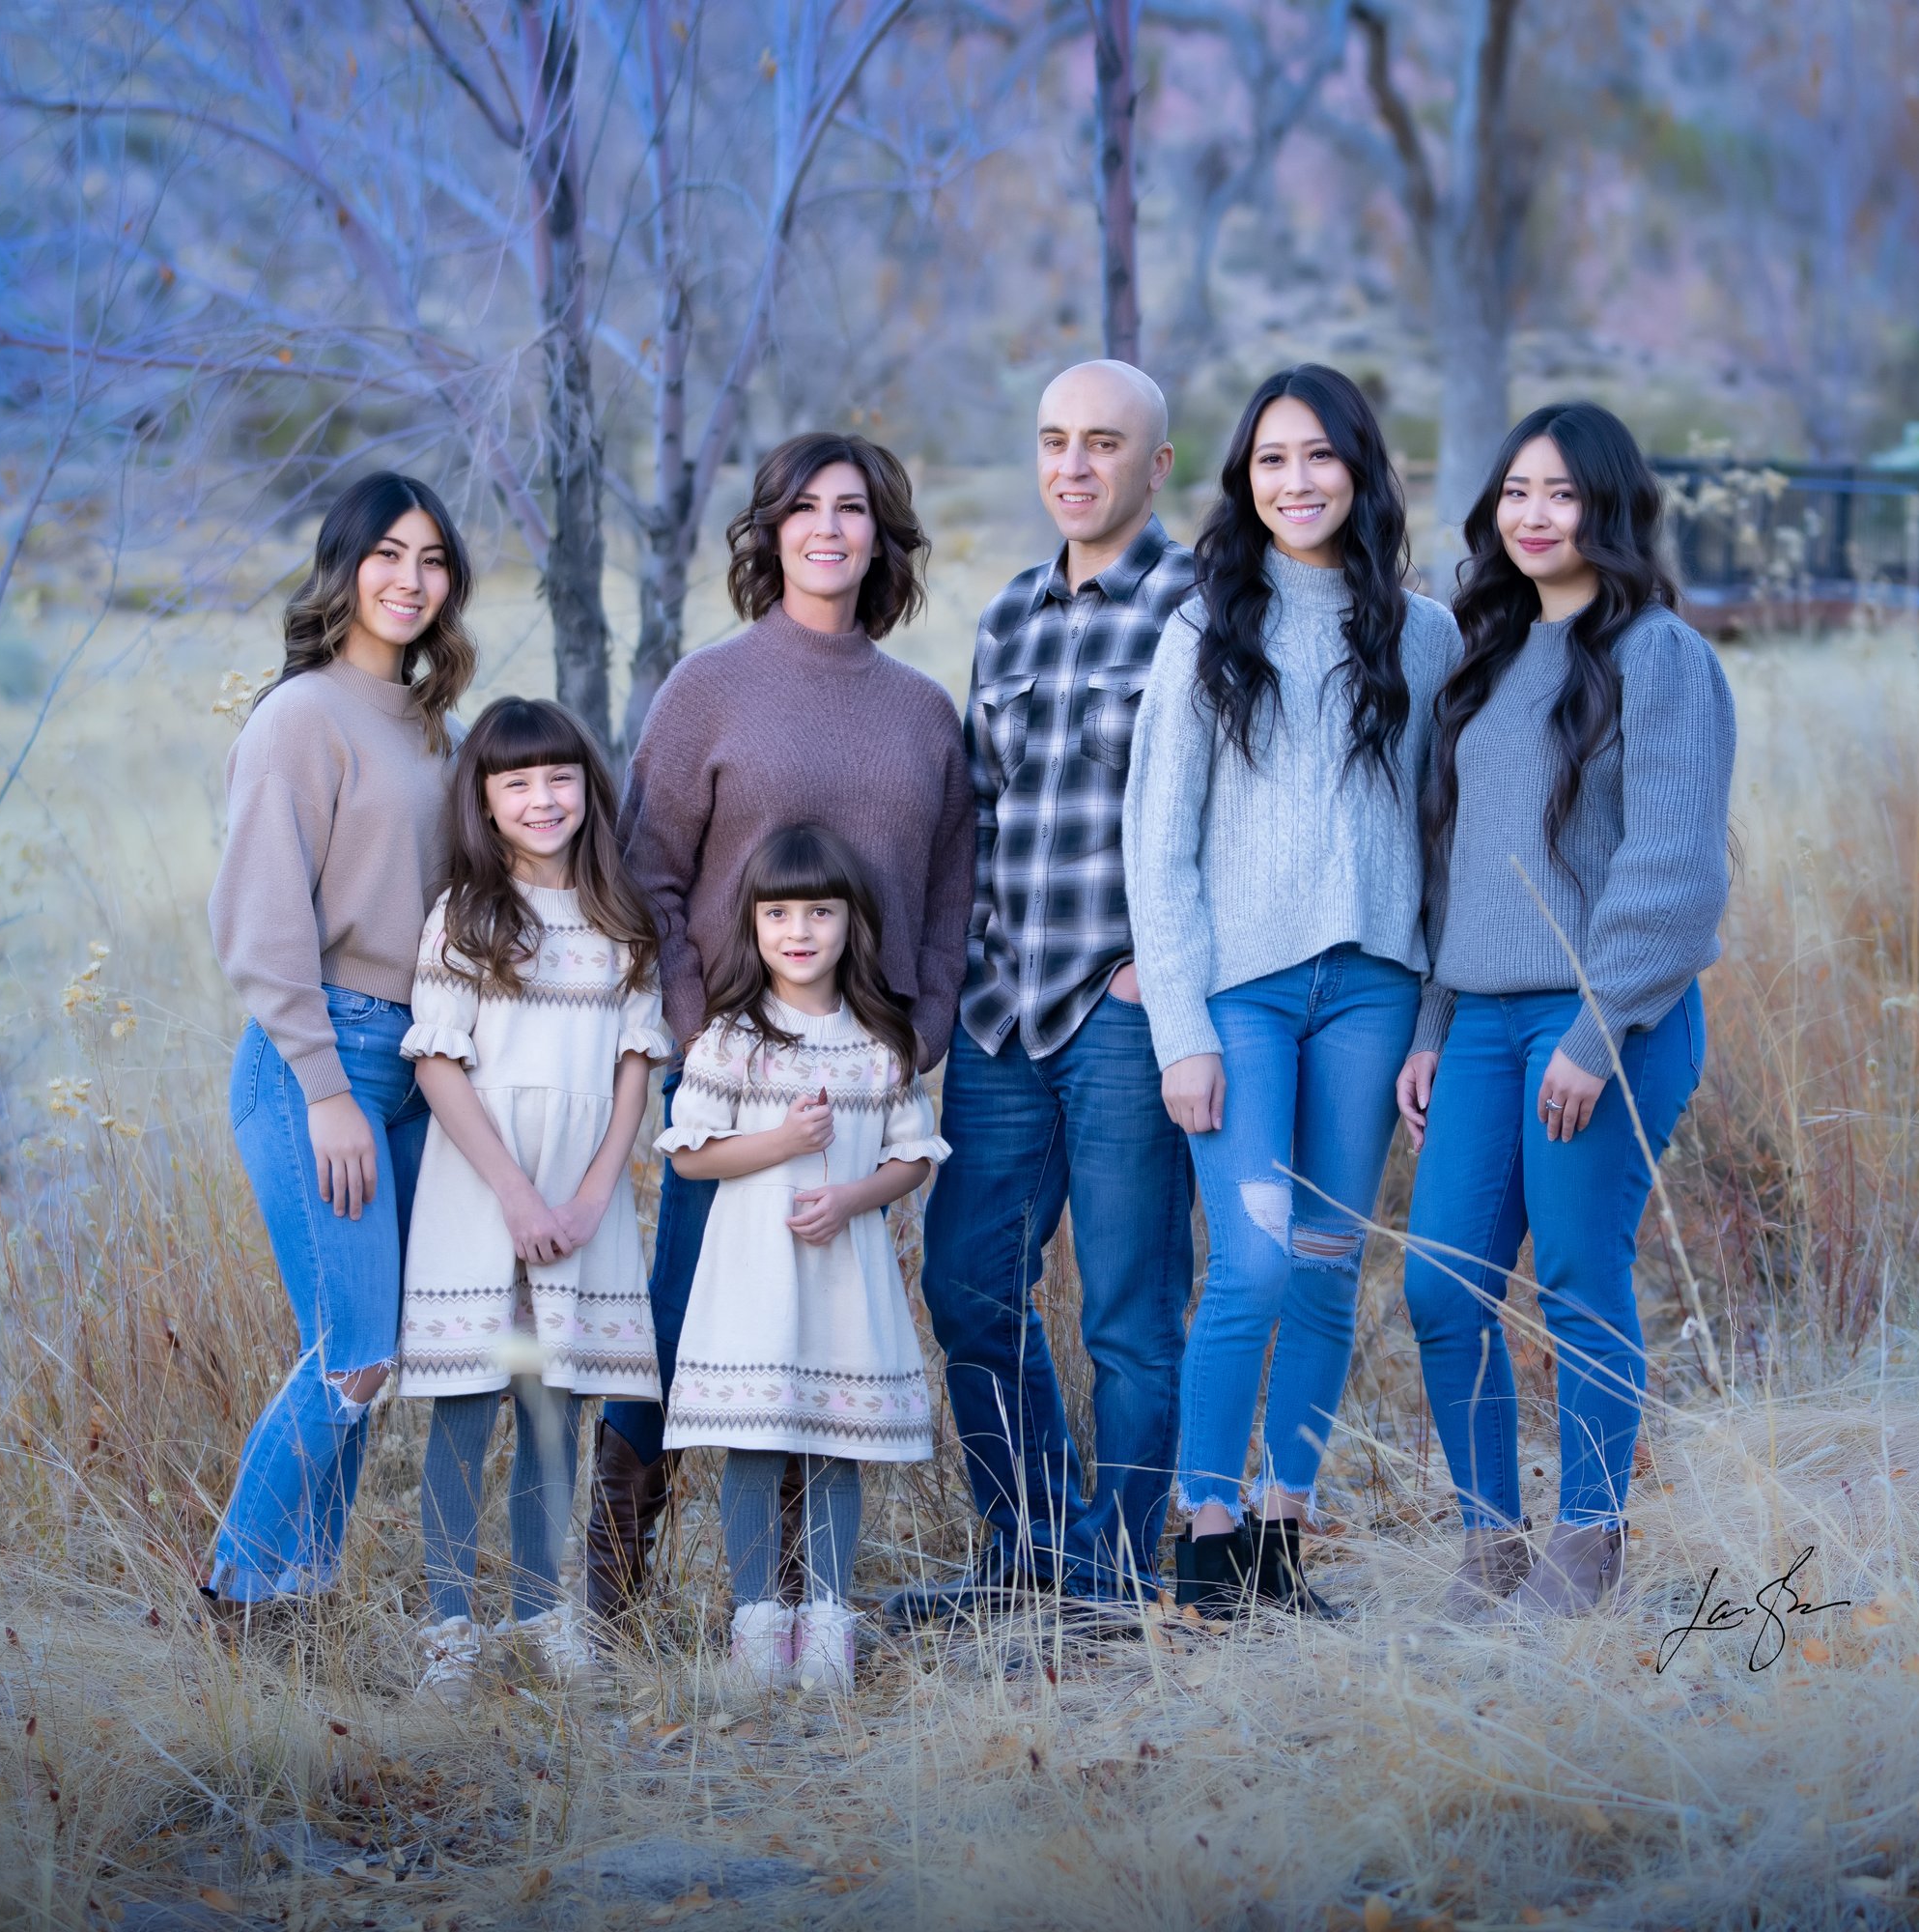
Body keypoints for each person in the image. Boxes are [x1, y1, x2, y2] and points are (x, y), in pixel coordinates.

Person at [589, 434, 973, 1629]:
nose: (826, 528)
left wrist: (925, 1026)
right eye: (801, 508)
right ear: (768, 533)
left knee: (830, 1307)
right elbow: (646, 873)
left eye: (851, 508)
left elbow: (955, 884)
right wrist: (707, 1033)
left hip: (865, 1072)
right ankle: (615, 1566)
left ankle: (804, 1600)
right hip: (731, 1071)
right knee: (687, 1306)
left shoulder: (921, 711)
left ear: (882, 535)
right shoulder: (707, 686)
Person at [1124, 364, 1462, 1619]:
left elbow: (1444, 852)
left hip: (1374, 995)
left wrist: (1431, 1018)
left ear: (1362, 471)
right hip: (1243, 1005)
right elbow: (1155, 848)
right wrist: (1182, 1033)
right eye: (1271, 460)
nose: (1297, 481)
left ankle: (1281, 1532)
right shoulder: (1205, 627)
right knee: (1253, 1268)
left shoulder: (1423, 638)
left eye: (1320, 457)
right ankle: (1204, 1535)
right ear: (1243, 480)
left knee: (1327, 1267)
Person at [1397, 400, 1736, 1619]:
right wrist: (1431, 1025)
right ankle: (1490, 1545)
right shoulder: (1483, 658)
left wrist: (1596, 1033)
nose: (1534, 515)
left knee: (1582, 1275)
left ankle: (1588, 1541)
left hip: (1608, 1023)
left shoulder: (1659, 655)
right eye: (1516, 492)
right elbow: (1458, 866)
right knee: (1439, 1288)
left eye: (1561, 493)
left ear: (1608, 506)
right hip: (1479, 1022)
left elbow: (1676, 868)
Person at [889, 358, 1198, 1623]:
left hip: (1125, 1013)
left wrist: (1164, 972)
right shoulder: (1008, 616)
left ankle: (1115, 1579)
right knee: (967, 1280)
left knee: (1130, 1311)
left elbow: (1224, 818)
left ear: (1156, 464)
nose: (1075, 466)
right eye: (1054, 441)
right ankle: (1031, 1551)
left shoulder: (1199, 612)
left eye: (1105, 444)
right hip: (1002, 1010)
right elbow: (981, 813)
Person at [204, 471, 476, 1615]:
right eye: (387, 555)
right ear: (343, 566)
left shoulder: (432, 723)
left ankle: (298, 1604)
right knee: (353, 1352)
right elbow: (261, 925)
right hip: (321, 1060)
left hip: (412, 1062)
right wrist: (323, 1088)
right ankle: (236, 1592)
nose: (410, 580)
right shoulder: (299, 716)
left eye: (431, 560)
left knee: (369, 1361)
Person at [395, 696, 671, 1703]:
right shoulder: (467, 916)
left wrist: (593, 1195)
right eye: (515, 782)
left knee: (553, 1411)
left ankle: (540, 1614)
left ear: (586, 789)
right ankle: (450, 1629)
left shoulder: (620, 917)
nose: (541, 797)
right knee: (466, 1411)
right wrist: (513, 1195)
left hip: (582, 1204)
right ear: (484, 799)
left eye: (558, 777)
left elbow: (636, 1066)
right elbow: (438, 1065)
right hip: (482, 1193)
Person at [658, 824, 948, 1695]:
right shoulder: (732, 1039)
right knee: (753, 1444)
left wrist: (854, 1196)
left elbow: (913, 1155)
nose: (798, 931)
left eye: (818, 912)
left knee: (832, 1445)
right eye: (778, 912)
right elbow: (689, 1156)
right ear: (751, 924)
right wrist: (780, 1139)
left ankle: (826, 1620)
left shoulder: (880, 1043)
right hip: (753, 1277)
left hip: (840, 1277)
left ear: (850, 923)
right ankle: (758, 1621)